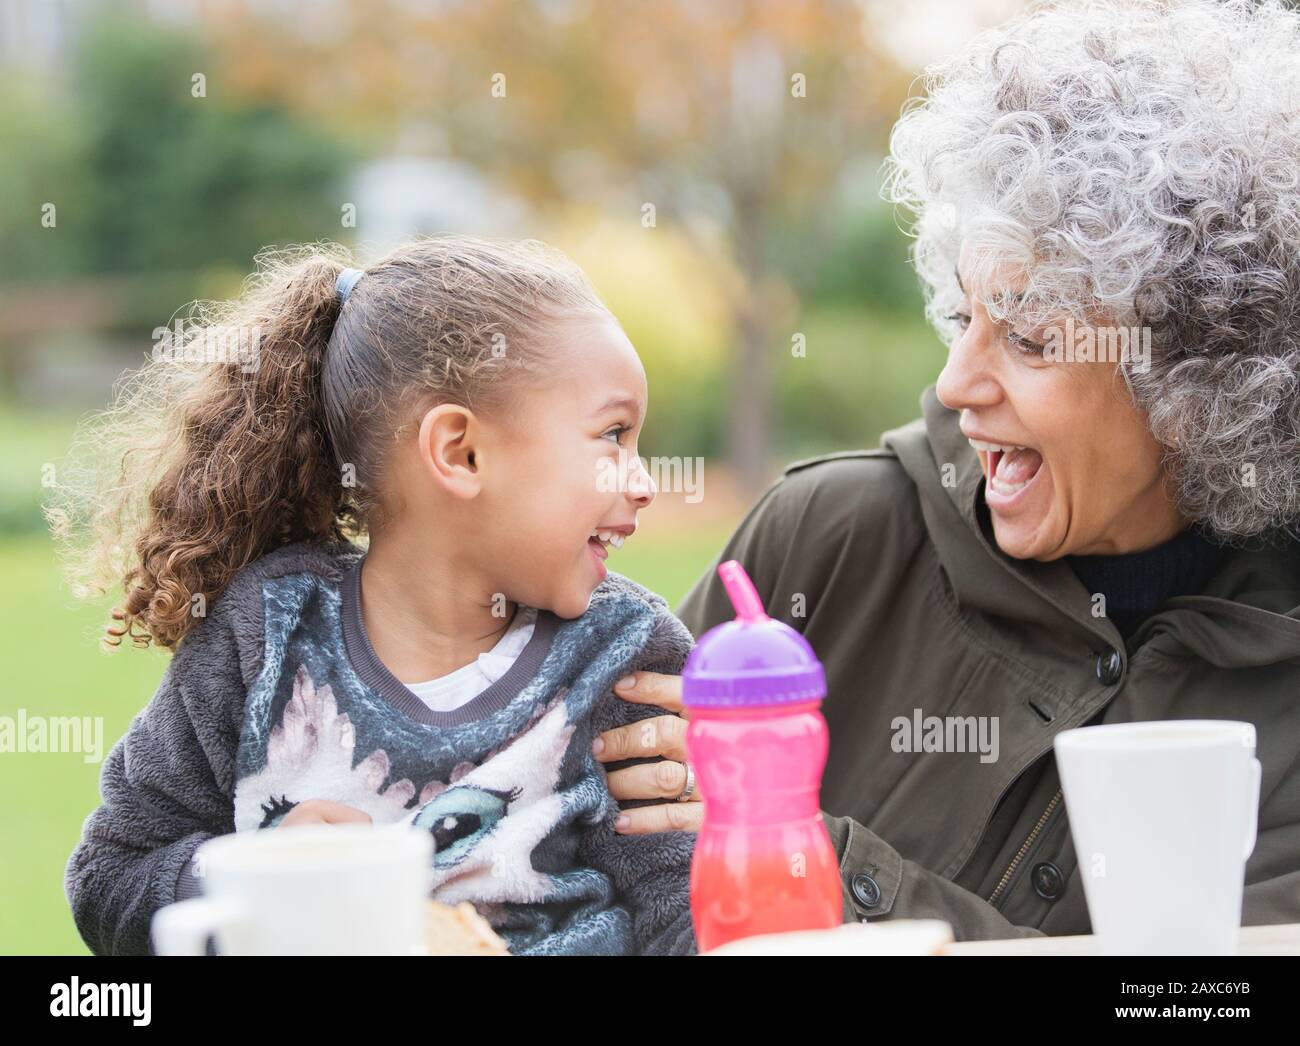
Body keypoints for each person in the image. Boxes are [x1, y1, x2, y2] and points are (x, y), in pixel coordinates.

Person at [594, 0, 1300, 940]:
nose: (957, 382)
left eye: (1031, 338)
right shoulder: (827, 537)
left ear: (1195, 376)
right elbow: (590, 873)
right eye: (966, 317)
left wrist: (823, 862)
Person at [58, 236, 697, 956]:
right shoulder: (263, 631)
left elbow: (685, 911)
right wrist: (251, 878)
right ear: (460, 452)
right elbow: (110, 877)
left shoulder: (626, 654)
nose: (644, 483)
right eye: (613, 435)